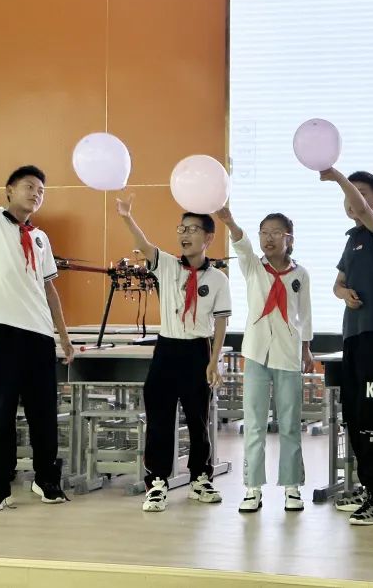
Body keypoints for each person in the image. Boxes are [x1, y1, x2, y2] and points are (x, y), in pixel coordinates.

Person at [0, 103, 73, 512]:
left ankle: (46, 480)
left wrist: (64, 338)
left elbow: (50, 291)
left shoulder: (41, 238)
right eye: (28, 186)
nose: (35, 193)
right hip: (2, 330)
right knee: (1, 412)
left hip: (39, 336)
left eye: (40, 190)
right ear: (9, 191)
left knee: (44, 413)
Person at [117, 195, 230, 512]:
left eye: (193, 229)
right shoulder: (166, 265)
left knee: (198, 419)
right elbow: (144, 244)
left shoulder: (218, 279)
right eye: (182, 229)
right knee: (160, 420)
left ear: (208, 237)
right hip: (167, 349)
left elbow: (221, 321)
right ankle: (157, 482)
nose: (185, 234)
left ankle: (200, 479)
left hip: (198, 350)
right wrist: (126, 216)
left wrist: (214, 361)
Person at [215, 207, 312, 513]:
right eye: (264, 233)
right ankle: (252, 488)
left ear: (289, 238)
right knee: (255, 424)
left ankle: (292, 487)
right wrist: (230, 221)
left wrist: (306, 349)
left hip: (288, 354)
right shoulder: (253, 267)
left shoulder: (300, 274)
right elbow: (241, 245)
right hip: (256, 353)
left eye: (276, 233)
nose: (268, 238)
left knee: (290, 423)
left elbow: (304, 314)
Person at [321, 168, 373, 527]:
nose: (352, 199)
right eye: (349, 194)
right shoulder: (351, 239)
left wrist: (338, 177)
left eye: (361, 193)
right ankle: (369, 488)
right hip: (353, 336)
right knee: (354, 415)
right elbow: (337, 283)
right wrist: (343, 293)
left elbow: (362, 208)